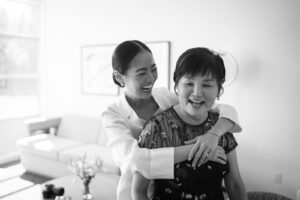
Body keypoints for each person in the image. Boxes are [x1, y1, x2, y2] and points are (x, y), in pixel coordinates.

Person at [101, 41, 242, 200]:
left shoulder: (163, 96)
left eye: (153, 69)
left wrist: (213, 135)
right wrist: (200, 150)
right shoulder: (112, 114)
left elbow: (223, 109)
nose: (150, 78)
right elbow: (136, 161)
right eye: (141, 73)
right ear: (120, 77)